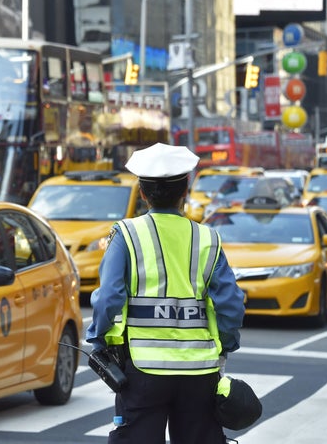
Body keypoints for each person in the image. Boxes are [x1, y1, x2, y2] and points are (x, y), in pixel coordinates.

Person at [86, 142, 246, 444]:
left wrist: (98, 338)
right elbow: (231, 305)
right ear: (185, 190)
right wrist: (226, 344)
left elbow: (108, 297)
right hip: (200, 371)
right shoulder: (208, 238)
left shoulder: (126, 234)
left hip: (142, 371)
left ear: (142, 193)